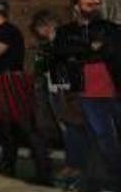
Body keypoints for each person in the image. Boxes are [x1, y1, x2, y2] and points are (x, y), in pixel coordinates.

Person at [0, 0, 52, 184]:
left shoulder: (9, 30)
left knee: (26, 126)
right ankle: (7, 165)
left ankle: (44, 173)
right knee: (4, 128)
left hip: (11, 80)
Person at [55, 0, 121, 190]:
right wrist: (91, 49)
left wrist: (82, 54)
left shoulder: (110, 27)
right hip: (87, 93)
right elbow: (62, 53)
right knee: (103, 137)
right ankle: (116, 177)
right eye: (88, 4)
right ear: (77, 7)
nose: (94, 6)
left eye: (95, 3)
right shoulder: (65, 31)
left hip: (115, 88)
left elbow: (110, 51)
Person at [30, 10, 90, 190]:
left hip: (65, 90)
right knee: (67, 129)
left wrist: (64, 90)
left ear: (46, 25)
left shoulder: (63, 40)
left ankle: (80, 167)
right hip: (57, 88)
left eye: (38, 28)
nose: (38, 32)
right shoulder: (50, 43)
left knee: (73, 129)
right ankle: (73, 165)